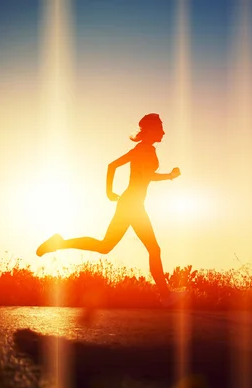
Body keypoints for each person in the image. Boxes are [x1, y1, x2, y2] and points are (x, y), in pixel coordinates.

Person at [36, 113, 183, 307]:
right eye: (160, 127)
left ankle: (59, 242)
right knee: (153, 249)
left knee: (105, 246)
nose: (164, 131)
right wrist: (170, 175)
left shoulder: (141, 149)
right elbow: (146, 175)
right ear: (150, 131)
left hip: (129, 203)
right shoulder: (144, 150)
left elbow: (112, 166)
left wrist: (109, 192)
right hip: (132, 205)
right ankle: (165, 296)